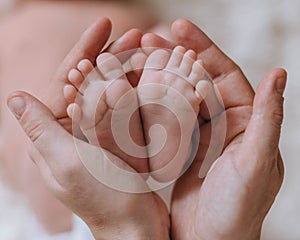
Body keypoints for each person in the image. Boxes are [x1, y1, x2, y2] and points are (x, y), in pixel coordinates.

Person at [7, 18, 286, 239]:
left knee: (38, 161)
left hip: (83, 216)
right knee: (162, 45)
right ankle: (161, 139)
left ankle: (123, 148)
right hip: (164, 206)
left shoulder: (15, 22)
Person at [0, 0, 157, 236]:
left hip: (33, 142)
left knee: (33, 161)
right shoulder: (131, 15)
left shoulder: (12, 25)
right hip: (48, 142)